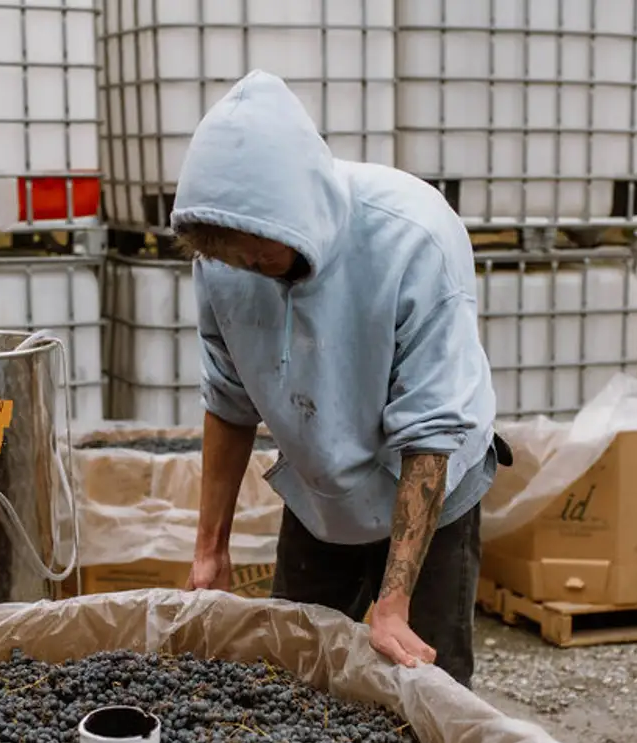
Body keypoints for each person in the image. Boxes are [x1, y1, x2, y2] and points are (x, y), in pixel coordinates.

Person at [172, 69, 502, 689]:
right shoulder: (222, 261)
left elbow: (430, 431)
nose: (246, 267)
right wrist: (209, 550)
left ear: (294, 214)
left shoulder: (414, 237)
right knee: (288, 675)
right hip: (321, 488)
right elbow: (228, 400)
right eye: (231, 256)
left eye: (255, 250)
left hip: (428, 488)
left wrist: (394, 601)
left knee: (423, 684)